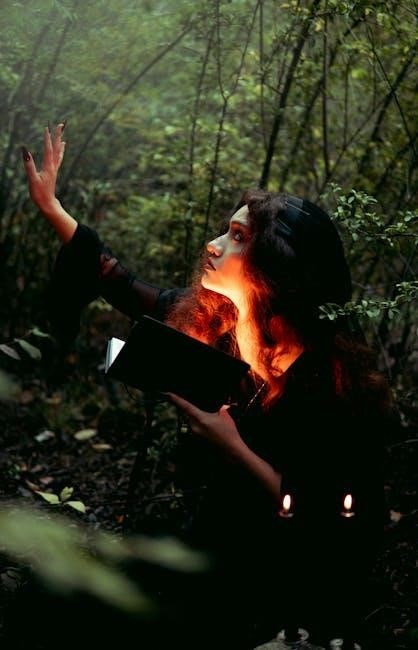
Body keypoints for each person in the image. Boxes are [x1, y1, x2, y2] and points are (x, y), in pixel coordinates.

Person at [22, 124, 392, 648]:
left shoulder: (330, 379)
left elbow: (337, 523)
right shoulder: (222, 323)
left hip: (268, 585)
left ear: (278, 266)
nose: (214, 245)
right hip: (204, 542)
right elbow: (121, 284)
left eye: (238, 238)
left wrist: (232, 444)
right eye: (226, 231)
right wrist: (54, 209)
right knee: (51, 591)